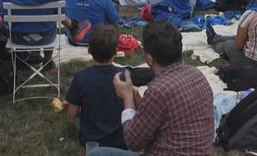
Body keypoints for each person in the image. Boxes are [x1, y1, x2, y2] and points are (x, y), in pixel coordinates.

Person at [91, 20, 214, 156]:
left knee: (97, 153)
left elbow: (133, 142)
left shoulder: (159, 90)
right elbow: (166, 117)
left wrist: (128, 100)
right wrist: (141, 104)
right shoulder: (197, 74)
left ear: (149, 58)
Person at [62, 25, 126, 149]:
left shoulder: (81, 78)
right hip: (120, 141)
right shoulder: (124, 75)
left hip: (91, 142)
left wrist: (70, 106)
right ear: (116, 51)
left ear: (89, 50)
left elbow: (72, 114)